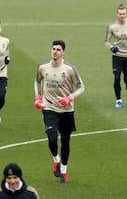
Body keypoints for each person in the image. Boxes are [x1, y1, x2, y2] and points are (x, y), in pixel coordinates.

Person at [34, 40, 85, 183]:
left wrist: (69, 97)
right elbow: (37, 81)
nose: (55, 51)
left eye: (58, 49)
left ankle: (63, 171)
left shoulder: (69, 69)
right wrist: (38, 97)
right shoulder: (43, 67)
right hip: (49, 108)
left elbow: (81, 87)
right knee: (51, 138)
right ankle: (56, 159)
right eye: (53, 49)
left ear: (63, 52)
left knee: (65, 142)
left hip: (67, 111)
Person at [105, 4, 127, 108]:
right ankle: (118, 100)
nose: (122, 15)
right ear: (117, 14)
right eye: (120, 14)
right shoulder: (112, 27)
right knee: (116, 78)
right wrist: (112, 48)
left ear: (126, 14)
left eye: (124, 14)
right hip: (117, 56)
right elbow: (106, 41)